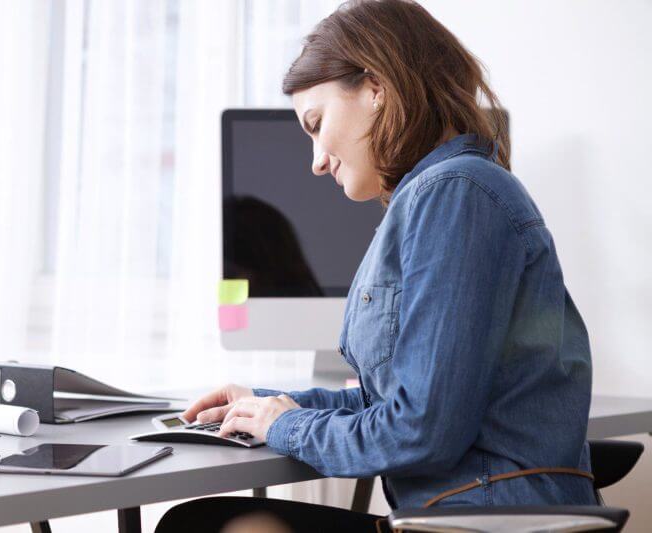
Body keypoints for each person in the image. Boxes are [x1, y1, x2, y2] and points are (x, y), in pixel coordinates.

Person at [157, 0, 595, 531]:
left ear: (376, 87)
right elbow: (391, 398)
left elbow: (421, 430)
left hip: (481, 520)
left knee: (203, 525)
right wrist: (270, 404)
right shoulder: (440, 195)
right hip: (460, 514)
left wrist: (288, 426)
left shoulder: (455, 194)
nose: (316, 160)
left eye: (317, 124)